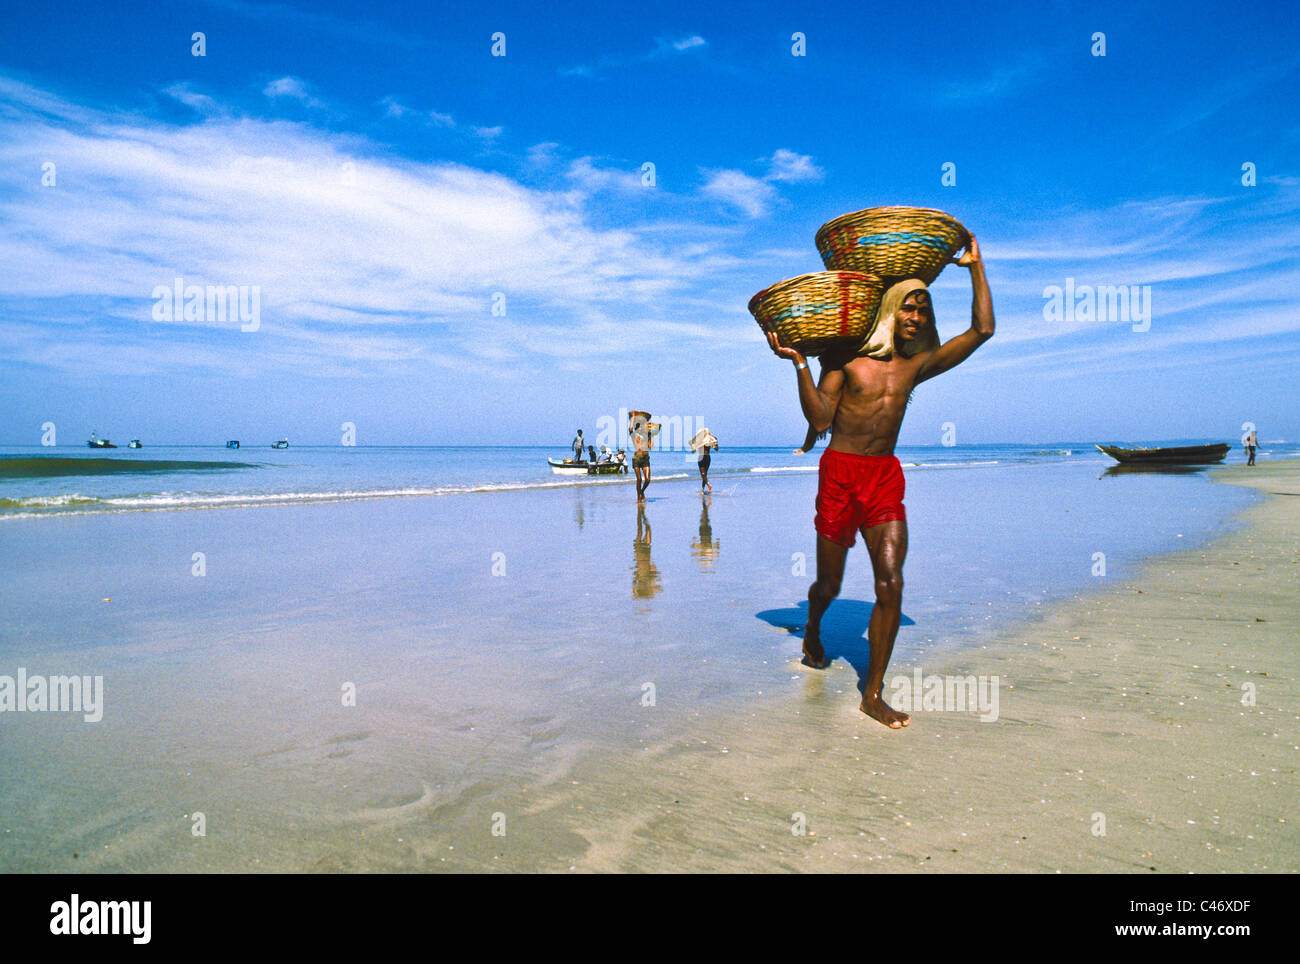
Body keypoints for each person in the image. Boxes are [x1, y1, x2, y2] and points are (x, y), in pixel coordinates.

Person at [766, 236, 994, 728]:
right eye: (910, 308)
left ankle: (872, 694)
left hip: (884, 478)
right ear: (891, 310)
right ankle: (813, 628)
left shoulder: (915, 365)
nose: (917, 317)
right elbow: (821, 419)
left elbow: (981, 329)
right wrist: (801, 364)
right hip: (840, 476)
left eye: (924, 310)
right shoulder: (845, 359)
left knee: (891, 584)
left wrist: (975, 268)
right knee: (829, 583)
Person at [630, 413, 652, 501]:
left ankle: (642, 491)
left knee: (647, 479)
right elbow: (630, 428)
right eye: (638, 427)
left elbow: (650, 447)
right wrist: (632, 418)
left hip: (645, 458)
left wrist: (652, 435)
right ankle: (638, 498)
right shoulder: (634, 435)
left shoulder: (647, 435)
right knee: (639, 479)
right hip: (636, 458)